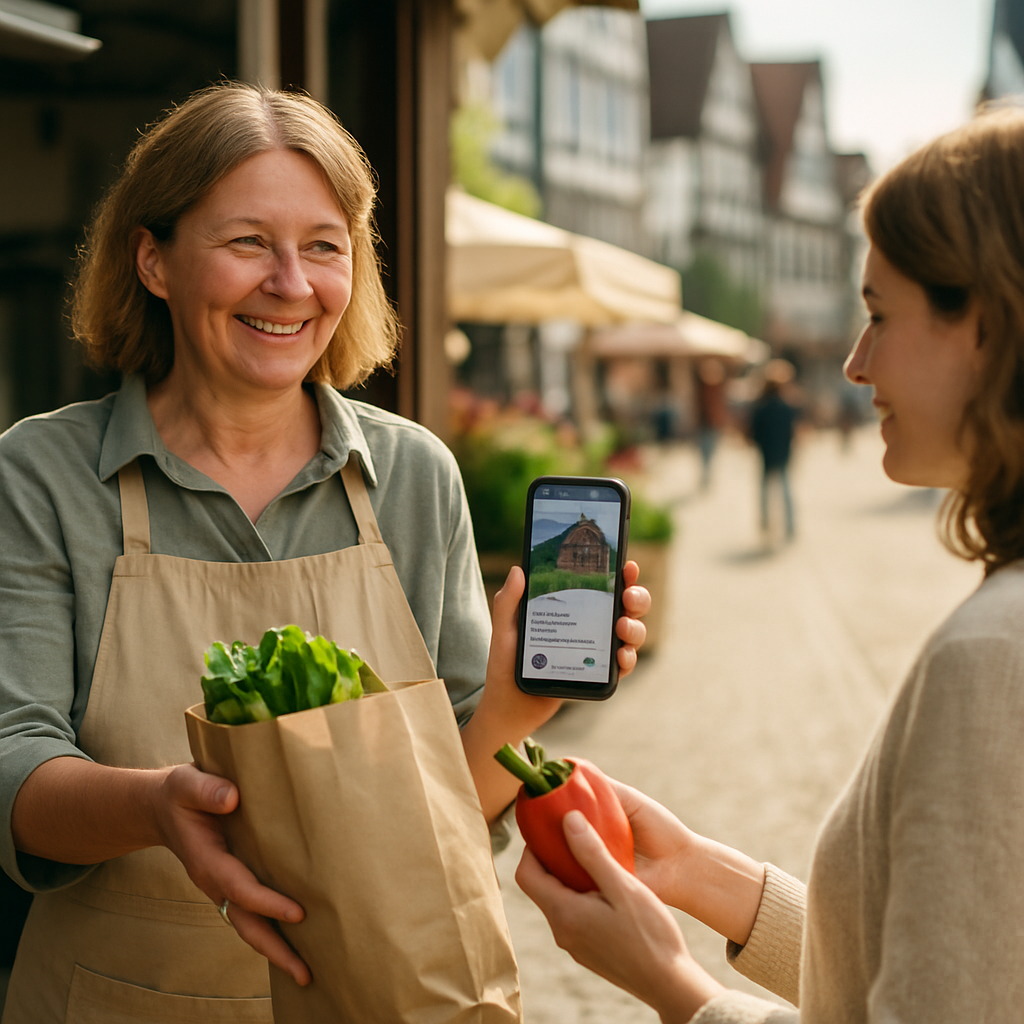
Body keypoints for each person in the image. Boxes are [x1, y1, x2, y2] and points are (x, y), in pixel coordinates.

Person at [0, 82, 650, 1022]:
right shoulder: (42, 476)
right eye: (247, 242)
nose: (292, 285)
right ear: (153, 258)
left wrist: (513, 705)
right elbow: (12, 763)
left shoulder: (414, 476)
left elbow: (447, 822)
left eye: (324, 247)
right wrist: (155, 808)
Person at [515, 106, 1024, 1021]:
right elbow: (937, 964)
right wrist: (712, 881)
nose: (858, 365)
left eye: (878, 316)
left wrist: (674, 986)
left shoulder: (994, 655)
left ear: (984, 324)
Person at [748, 360, 799, 542]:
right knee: (785, 490)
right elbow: (794, 432)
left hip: (766, 454)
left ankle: (765, 524)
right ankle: (790, 526)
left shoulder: (760, 408)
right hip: (783, 453)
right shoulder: (786, 407)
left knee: (764, 491)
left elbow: (752, 432)